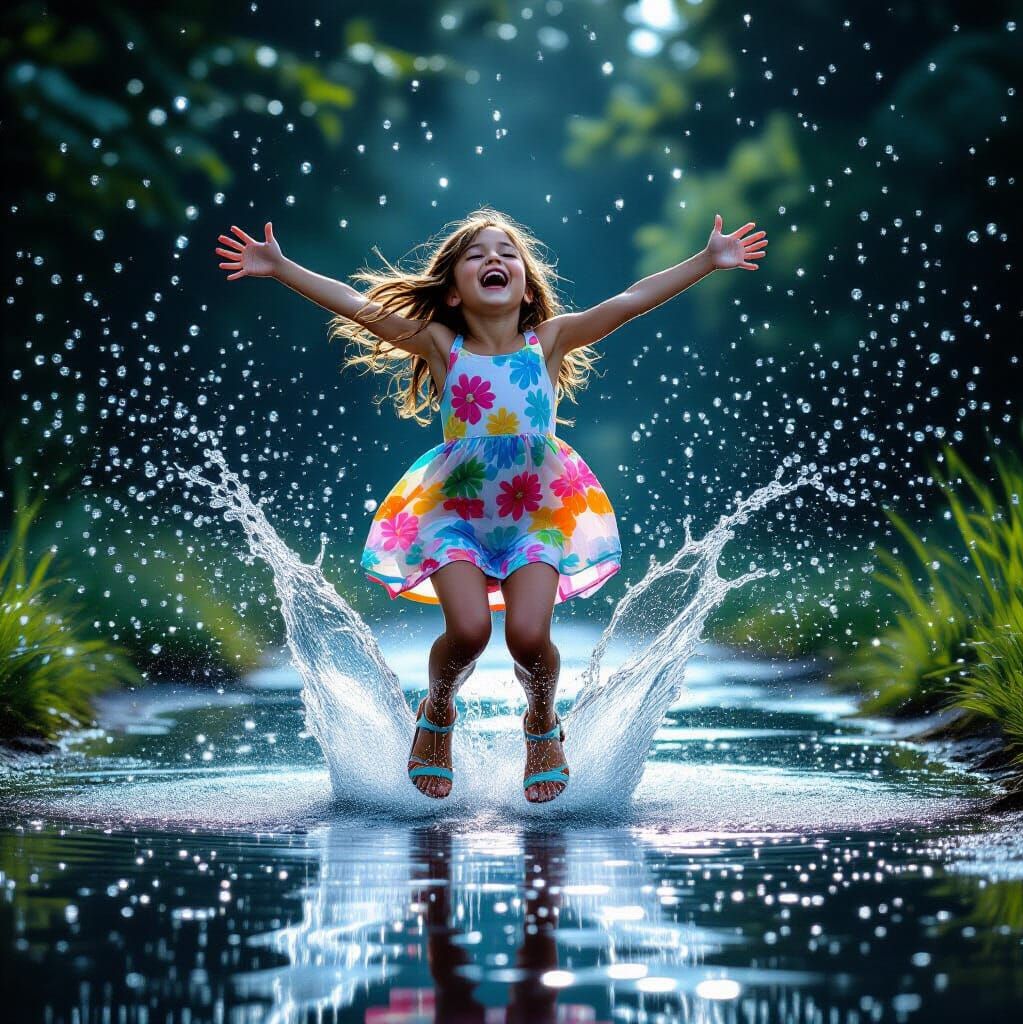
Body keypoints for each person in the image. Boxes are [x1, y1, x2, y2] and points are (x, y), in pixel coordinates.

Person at [214, 207, 766, 805]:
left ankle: (542, 720)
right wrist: (280, 267)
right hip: (454, 516)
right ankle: (438, 710)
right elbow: (358, 305)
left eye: (507, 253)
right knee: (471, 630)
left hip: (537, 514)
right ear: (452, 292)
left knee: (529, 637)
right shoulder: (440, 344)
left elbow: (631, 299)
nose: (494, 260)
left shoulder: (548, 341)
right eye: (477, 255)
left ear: (526, 284)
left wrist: (708, 261)